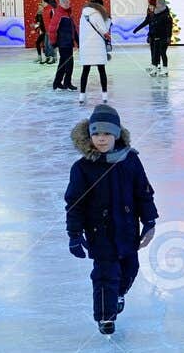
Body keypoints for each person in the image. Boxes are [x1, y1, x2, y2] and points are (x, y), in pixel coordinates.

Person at [64, 103, 157, 336]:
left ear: (116, 135)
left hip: (127, 230)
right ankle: (105, 317)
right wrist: (75, 235)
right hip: (99, 233)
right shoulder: (83, 168)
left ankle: (119, 294)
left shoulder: (131, 161)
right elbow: (74, 204)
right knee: (106, 275)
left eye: (106, 133)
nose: (101, 139)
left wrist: (149, 221)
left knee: (130, 268)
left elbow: (143, 192)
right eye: (96, 133)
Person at [75, 0, 111, 103]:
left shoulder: (83, 15)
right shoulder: (97, 14)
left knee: (85, 71)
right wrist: (108, 21)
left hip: (86, 46)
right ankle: (104, 95)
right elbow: (104, 30)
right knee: (101, 70)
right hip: (97, 46)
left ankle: (82, 95)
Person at [133, 0, 173, 76]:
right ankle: (154, 68)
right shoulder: (155, 14)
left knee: (162, 53)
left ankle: (164, 69)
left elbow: (169, 27)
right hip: (155, 37)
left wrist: (168, 37)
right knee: (155, 53)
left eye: (157, 4)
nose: (156, 6)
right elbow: (151, 25)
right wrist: (147, 34)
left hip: (163, 37)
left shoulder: (166, 15)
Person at [52, 0, 77, 90]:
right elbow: (52, 29)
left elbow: (73, 29)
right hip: (63, 44)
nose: (67, 4)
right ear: (61, 3)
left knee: (62, 63)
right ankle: (67, 83)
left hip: (68, 43)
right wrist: (53, 42)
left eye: (68, 2)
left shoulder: (68, 14)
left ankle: (57, 82)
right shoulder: (59, 14)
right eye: (65, 2)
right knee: (69, 64)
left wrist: (77, 40)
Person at [37, 0, 60, 65]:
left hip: (51, 31)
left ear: (45, 1)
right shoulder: (44, 10)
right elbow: (43, 21)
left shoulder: (51, 9)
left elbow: (55, 20)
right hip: (46, 30)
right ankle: (47, 57)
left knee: (51, 45)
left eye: (42, 1)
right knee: (46, 45)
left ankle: (53, 57)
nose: (41, 2)